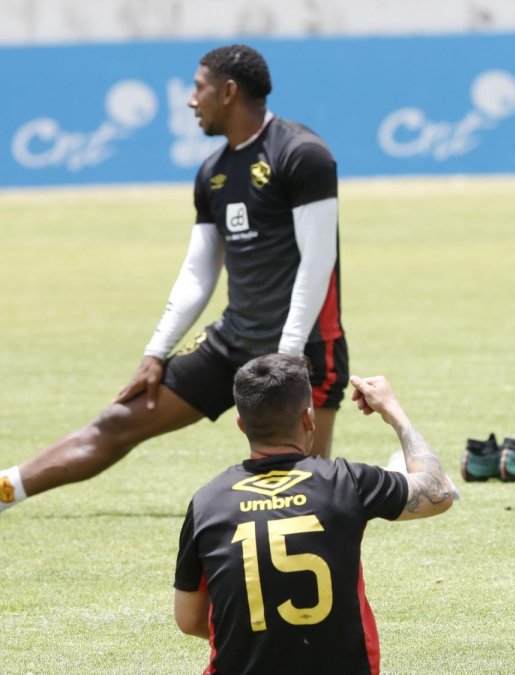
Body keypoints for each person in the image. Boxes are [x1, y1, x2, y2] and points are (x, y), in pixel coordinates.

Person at [0, 44, 348, 515]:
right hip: (232, 342)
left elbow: (317, 262)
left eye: (198, 87)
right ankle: (6, 489)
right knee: (118, 421)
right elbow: (198, 272)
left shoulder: (302, 155)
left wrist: (285, 361)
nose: (190, 100)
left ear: (228, 92)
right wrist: (156, 352)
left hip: (305, 351)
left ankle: (408, 481)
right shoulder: (213, 172)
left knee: (306, 495)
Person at [173, 354, 453, 674]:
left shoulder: (208, 501)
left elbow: (189, 618)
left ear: (241, 424)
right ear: (309, 419)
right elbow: (437, 491)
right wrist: (394, 412)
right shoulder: (346, 482)